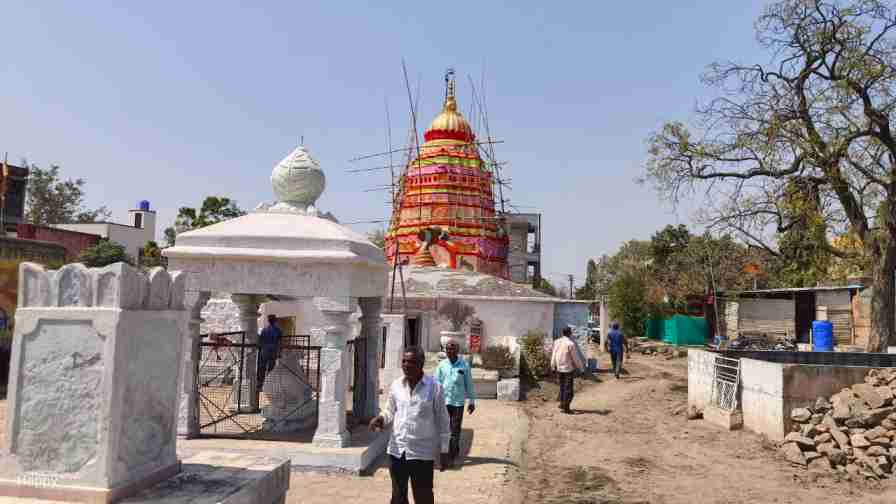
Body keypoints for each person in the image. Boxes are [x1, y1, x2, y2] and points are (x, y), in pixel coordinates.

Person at [370, 346, 450, 504]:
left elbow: (443, 420)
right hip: (397, 450)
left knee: (423, 497)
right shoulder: (396, 385)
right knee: (398, 497)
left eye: (411, 362)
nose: (406, 365)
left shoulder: (435, 388)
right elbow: (390, 411)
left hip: (422, 453)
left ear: (421, 364)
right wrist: (381, 419)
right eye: (404, 361)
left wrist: (444, 450)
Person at [435, 339, 476, 467]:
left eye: (452, 348)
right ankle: (448, 451)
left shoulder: (464, 365)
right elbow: (436, 383)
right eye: (448, 349)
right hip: (444, 402)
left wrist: (472, 401)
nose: (450, 351)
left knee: (455, 429)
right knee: (444, 429)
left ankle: (451, 456)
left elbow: (469, 384)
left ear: (457, 350)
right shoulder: (442, 365)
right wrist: (434, 400)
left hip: (458, 402)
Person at [551, 326, 585, 414]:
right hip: (567, 369)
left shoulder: (557, 342)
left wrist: (553, 366)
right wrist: (581, 369)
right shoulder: (570, 344)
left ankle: (562, 404)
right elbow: (576, 358)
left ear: (562, 333)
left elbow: (554, 354)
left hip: (559, 368)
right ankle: (566, 408)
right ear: (570, 333)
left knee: (562, 387)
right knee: (568, 389)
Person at [257, 315, 282, 389]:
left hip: (264, 351)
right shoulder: (278, 330)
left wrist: (260, 350)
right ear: (275, 321)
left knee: (262, 368)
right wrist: (279, 352)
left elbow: (260, 341)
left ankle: (260, 384)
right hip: (273, 350)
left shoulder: (264, 330)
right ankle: (268, 385)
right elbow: (280, 342)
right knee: (271, 369)